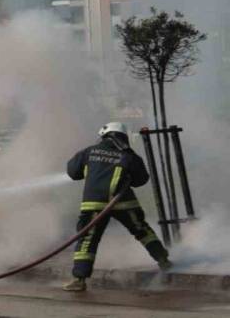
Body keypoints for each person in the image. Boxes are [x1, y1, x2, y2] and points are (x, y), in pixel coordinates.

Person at [62, 121, 171, 292]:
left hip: (94, 203)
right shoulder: (128, 156)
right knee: (142, 230)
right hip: (124, 202)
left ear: (104, 136)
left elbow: (72, 172)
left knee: (87, 239)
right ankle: (164, 261)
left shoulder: (89, 152)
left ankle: (79, 279)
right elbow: (141, 180)